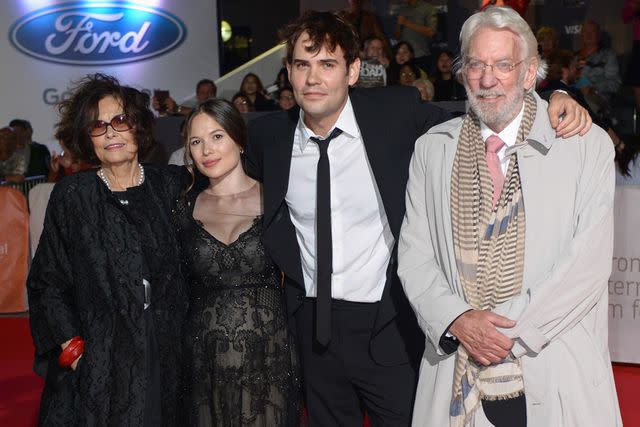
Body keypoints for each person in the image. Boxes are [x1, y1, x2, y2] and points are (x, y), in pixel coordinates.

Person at [246, 10, 591, 426]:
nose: (313, 78)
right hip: (312, 327)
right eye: (302, 65)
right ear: (288, 71)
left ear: (353, 71)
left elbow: (485, 115)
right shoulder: (269, 137)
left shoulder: (396, 114)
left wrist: (554, 95)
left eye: (327, 64)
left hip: (388, 325)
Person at [398, 6, 622, 426]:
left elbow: (585, 267)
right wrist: (458, 320)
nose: (488, 79)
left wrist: (502, 332)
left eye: (503, 65)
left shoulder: (583, 145)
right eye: (476, 65)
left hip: (553, 362)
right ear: (461, 71)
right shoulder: (432, 149)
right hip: (457, 369)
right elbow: (414, 256)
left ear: (529, 71)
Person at [27, 73, 188, 426]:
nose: (111, 132)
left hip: (165, 347)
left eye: (119, 120)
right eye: (98, 126)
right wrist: (75, 350)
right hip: (102, 356)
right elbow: (47, 282)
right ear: (88, 137)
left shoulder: (171, 186)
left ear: (139, 128)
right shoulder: (73, 196)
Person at [173, 98, 301, 425]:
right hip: (203, 360)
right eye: (196, 142)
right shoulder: (181, 208)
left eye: (217, 137)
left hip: (269, 355)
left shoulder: (277, 199)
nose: (206, 150)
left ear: (239, 140)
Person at [575, 20, 621, 116]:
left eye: (592, 31)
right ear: (581, 35)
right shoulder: (573, 57)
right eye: (585, 32)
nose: (588, 35)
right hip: (576, 96)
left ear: (599, 35)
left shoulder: (608, 55)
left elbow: (614, 84)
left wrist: (592, 88)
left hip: (598, 98)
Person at [395, 0, 438, 73]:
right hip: (403, 58)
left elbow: (431, 32)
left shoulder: (428, 8)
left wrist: (406, 23)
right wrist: (399, 25)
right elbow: (397, 36)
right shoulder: (402, 9)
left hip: (421, 56)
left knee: (421, 81)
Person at [152, 78, 217, 116]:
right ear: (197, 95)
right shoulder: (185, 115)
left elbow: (201, 114)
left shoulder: (219, 112)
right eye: (202, 93)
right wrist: (162, 109)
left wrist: (176, 108)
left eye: (210, 92)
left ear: (214, 95)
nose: (206, 96)